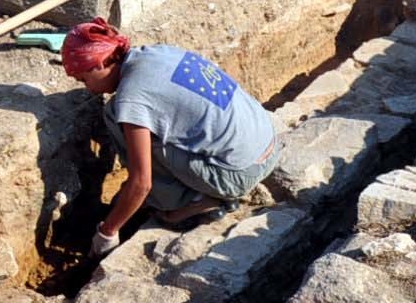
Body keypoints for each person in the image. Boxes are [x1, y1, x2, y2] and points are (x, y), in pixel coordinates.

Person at [59, 20, 281, 260]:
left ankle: (188, 203)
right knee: (135, 120)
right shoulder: (155, 54)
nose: (88, 90)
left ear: (101, 63)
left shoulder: (132, 98)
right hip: (269, 141)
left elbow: (141, 183)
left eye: (84, 80)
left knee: (116, 116)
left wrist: (107, 232)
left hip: (240, 173)